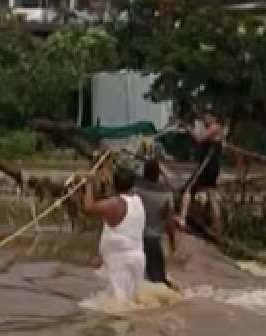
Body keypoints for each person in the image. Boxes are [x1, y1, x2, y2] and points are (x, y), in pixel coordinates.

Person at [83, 165, 146, 303]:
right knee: (132, 301)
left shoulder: (115, 204)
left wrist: (89, 184)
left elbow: (88, 208)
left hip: (120, 263)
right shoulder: (138, 201)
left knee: (119, 308)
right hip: (137, 260)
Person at [181, 110, 226, 234]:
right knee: (211, 194)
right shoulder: (213, 128)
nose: (204, 119)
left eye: (207, 116)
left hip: (208, 165)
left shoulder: (215, 128)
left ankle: (182, 218)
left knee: (188, 189)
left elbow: (199, 138)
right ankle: (217, 225)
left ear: (213, 117)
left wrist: (188, 128)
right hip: (211, 165)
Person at [138, 159, 177, 287]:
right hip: (154, 242)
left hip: (135, 241)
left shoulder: (136, 190)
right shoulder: (166, 194)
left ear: (144, 173)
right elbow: (170, 222)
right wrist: (172, 242)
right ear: (158, 175)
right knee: (159, 282)